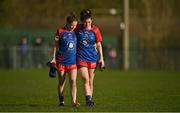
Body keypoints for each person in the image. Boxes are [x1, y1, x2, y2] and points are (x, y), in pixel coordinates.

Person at [75, 9, 105, 107]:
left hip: (92, 58)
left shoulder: (95, 30)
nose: (88, 24)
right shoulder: (77, 28)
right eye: (85, 22)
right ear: (82, 21)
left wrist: (101, 58)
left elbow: (99, 44)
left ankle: (90, 100)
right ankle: (88, 100)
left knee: (91, 81)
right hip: (81, 57)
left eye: (89, 21)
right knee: (85, 79)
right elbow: (68, 30)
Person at [50, 13, 79, 107]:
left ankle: (74, 102)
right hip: (61, 61)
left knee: (73, 81)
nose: (73, 27)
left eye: (75, 25)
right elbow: (55, 45)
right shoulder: (60, 31)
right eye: (72, 25)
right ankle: (61, 101)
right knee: (62, 82)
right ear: (67, 23)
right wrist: (53, 58)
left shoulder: (76, 31)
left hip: (72, 62)